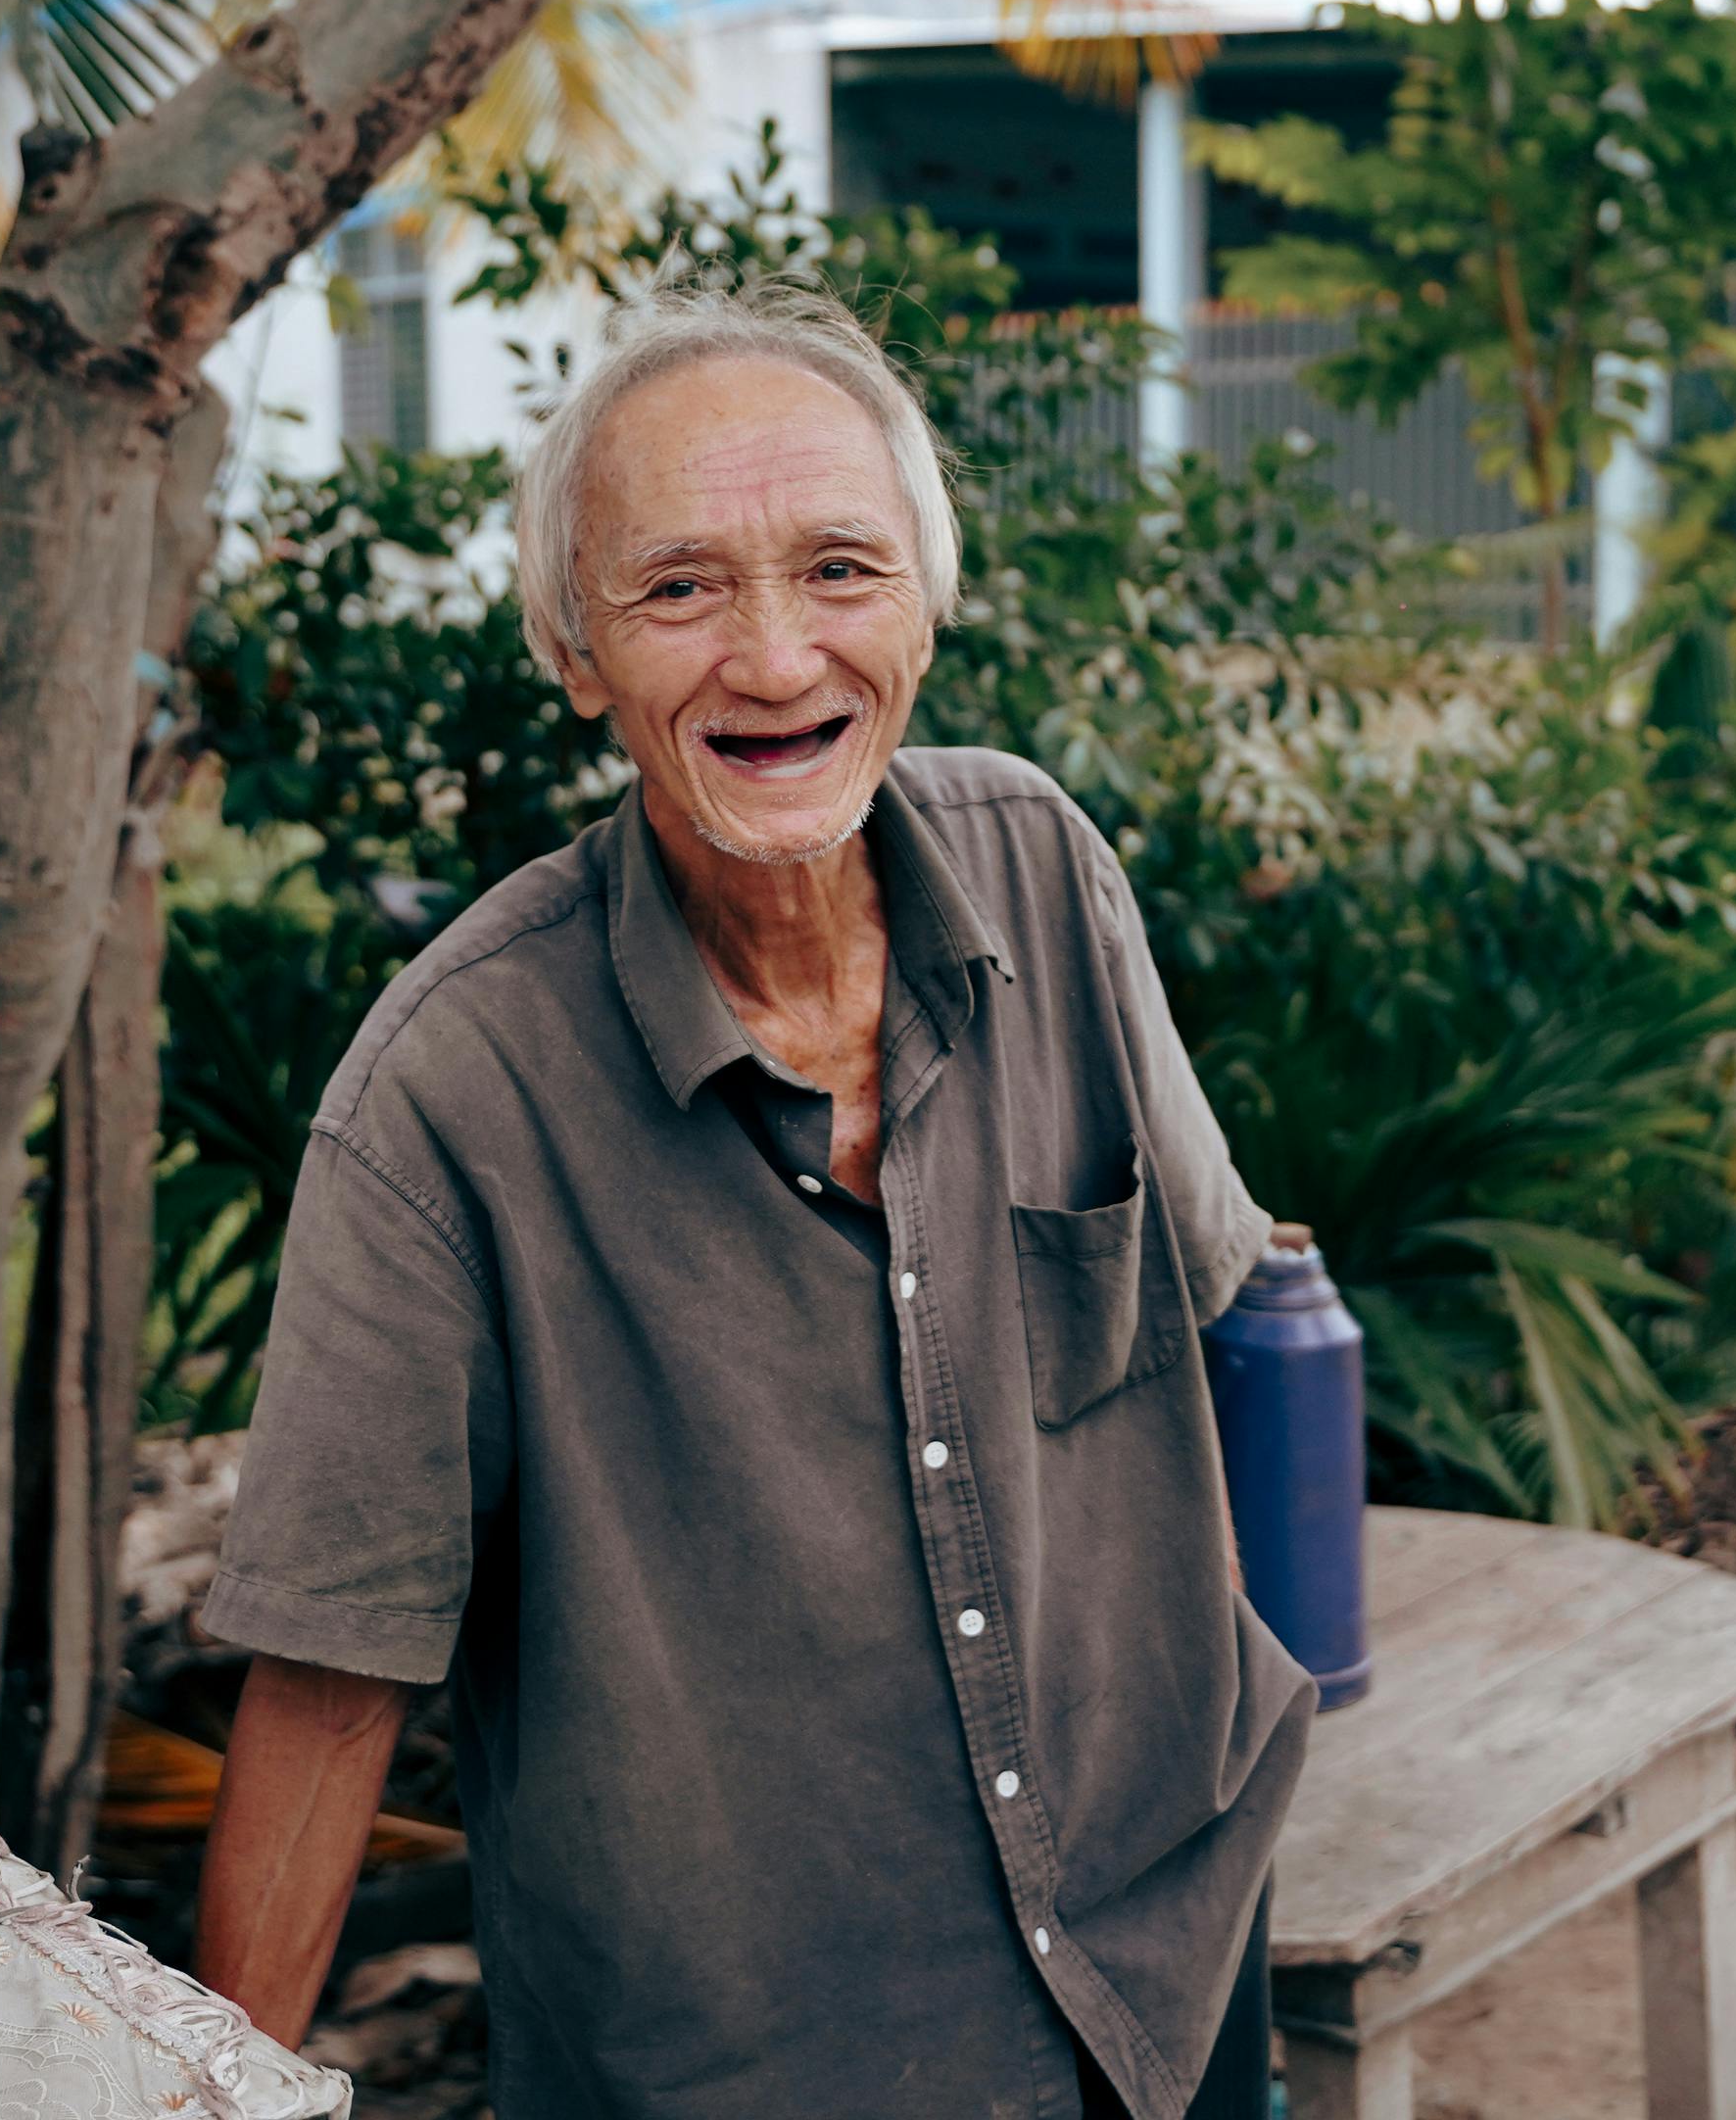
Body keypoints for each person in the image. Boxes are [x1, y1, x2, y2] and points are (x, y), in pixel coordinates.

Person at [190, 277, 1310, 2119]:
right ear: (577, 650)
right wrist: (210, 2094)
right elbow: (327, 1686)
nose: (778, 661)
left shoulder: (1043, 872)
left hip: (1162, 1979)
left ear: (930, 607)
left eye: (842, 571)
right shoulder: (448, 1098)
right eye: (682, 587)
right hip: (748, 2071)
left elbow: (1217, 1306)